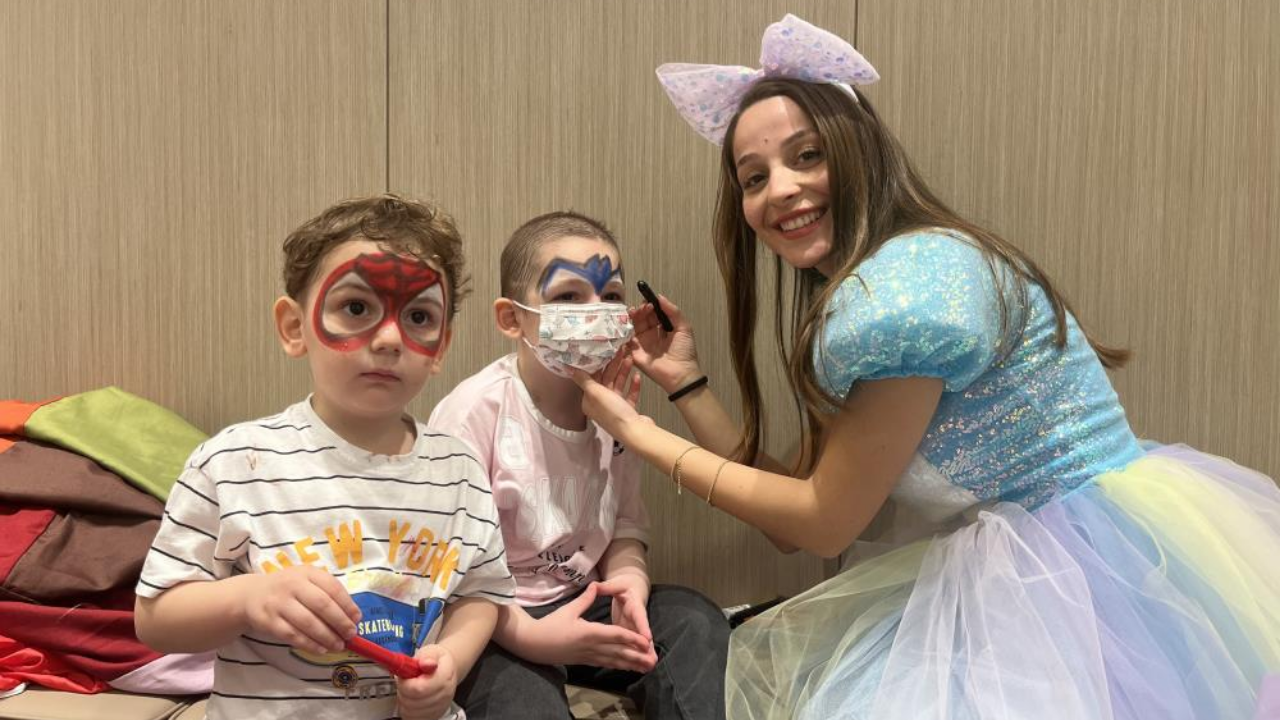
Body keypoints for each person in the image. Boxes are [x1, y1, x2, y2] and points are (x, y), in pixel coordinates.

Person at [571, 14, 1280, 720]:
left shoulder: (904, 298)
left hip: (1073, 590)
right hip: (1055, 568)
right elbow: (794, 516)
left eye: (807, 156)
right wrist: (687, 385)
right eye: (754, 177)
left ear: (860, 152)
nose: (779, 189)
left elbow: (823, 525)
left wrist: (638, 434)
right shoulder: (881, 292)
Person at [135, 194, 517, 720]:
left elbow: (480, 595)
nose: (390, 338)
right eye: (356, 308)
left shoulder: (461, 471)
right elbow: (155, 618)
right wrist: (248, 598)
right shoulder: (233, 463)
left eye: (418, 316)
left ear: (441, 347)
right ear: (294, 328)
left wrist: (450, 659)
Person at [430, 211, 729, 719]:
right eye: (568, 297)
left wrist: (629, 585)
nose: (595, 311)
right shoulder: (474, 414)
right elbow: (452, 575)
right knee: (522, 704)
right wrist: (534, 639)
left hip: (585, 597)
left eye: (610, 296)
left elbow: (624, 525)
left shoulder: (616, 409)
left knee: (693, 619)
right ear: (512, 318)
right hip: (494, 618)